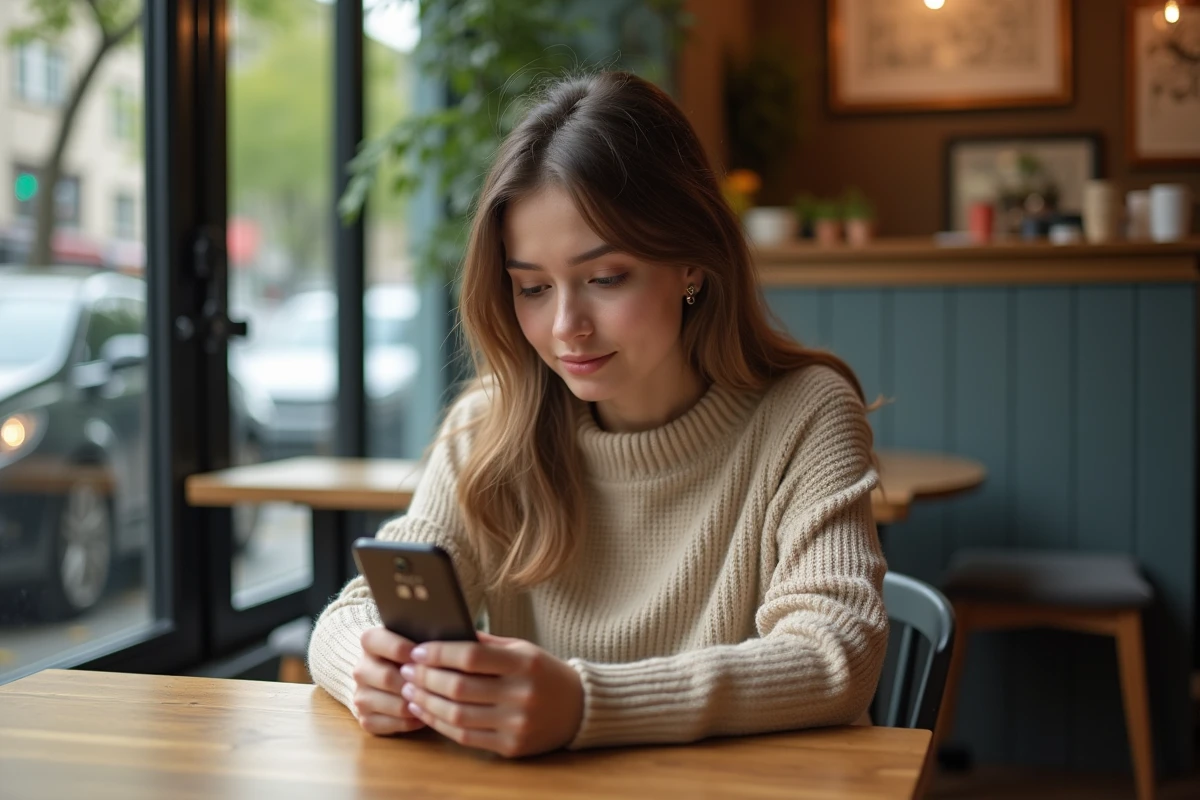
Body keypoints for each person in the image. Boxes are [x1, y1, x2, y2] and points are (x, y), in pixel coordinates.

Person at [308, 71, 888, 759]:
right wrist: (369, 668)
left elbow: (836, 655)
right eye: (531, 287)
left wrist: (585, 705)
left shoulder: (807, 413)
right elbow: (350, 616)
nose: (564, 327)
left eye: (605, 278)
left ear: (692, 264)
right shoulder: (491, 424)